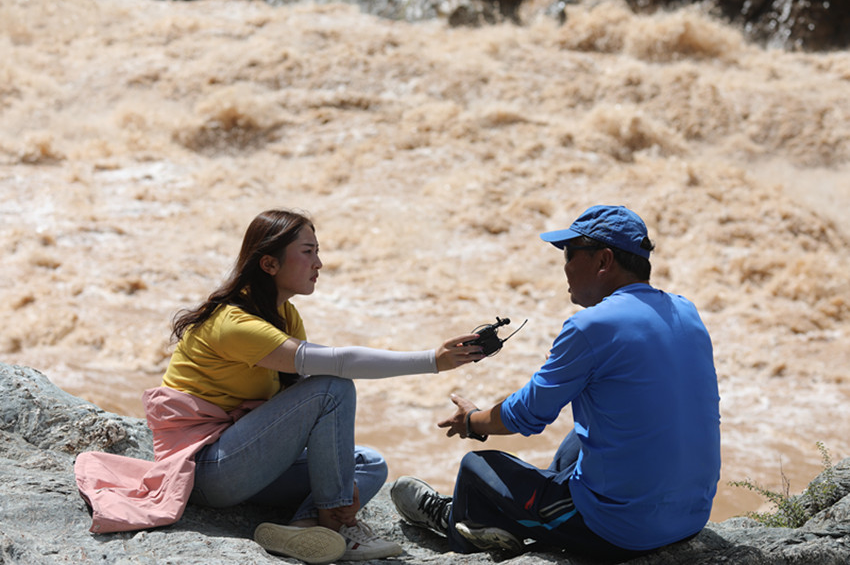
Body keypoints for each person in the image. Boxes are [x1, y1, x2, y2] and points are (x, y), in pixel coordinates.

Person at [75, 209, 484, 565]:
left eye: (317, 251)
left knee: (370, 463)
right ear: (269, 264)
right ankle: (336, 520)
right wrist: (433, 360)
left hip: (244, 463)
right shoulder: (233, 324)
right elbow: (337, 368)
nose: (319, 263)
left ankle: (303, 528)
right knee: (333, 387)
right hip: (204, 471)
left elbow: (300, 407)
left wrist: (339, 475)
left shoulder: (284, 315)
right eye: (308, 252)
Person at [391, 205, 721, 563]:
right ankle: (523, 515)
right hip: (691, 517)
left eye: (569, 254)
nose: (565, 267)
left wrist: (471, 421)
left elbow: (525, 415)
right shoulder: (686, 311)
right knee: (579, 438)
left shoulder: (591, 327)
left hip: (623, 530)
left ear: (603, 260)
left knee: (476, 468)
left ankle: (455, 521)